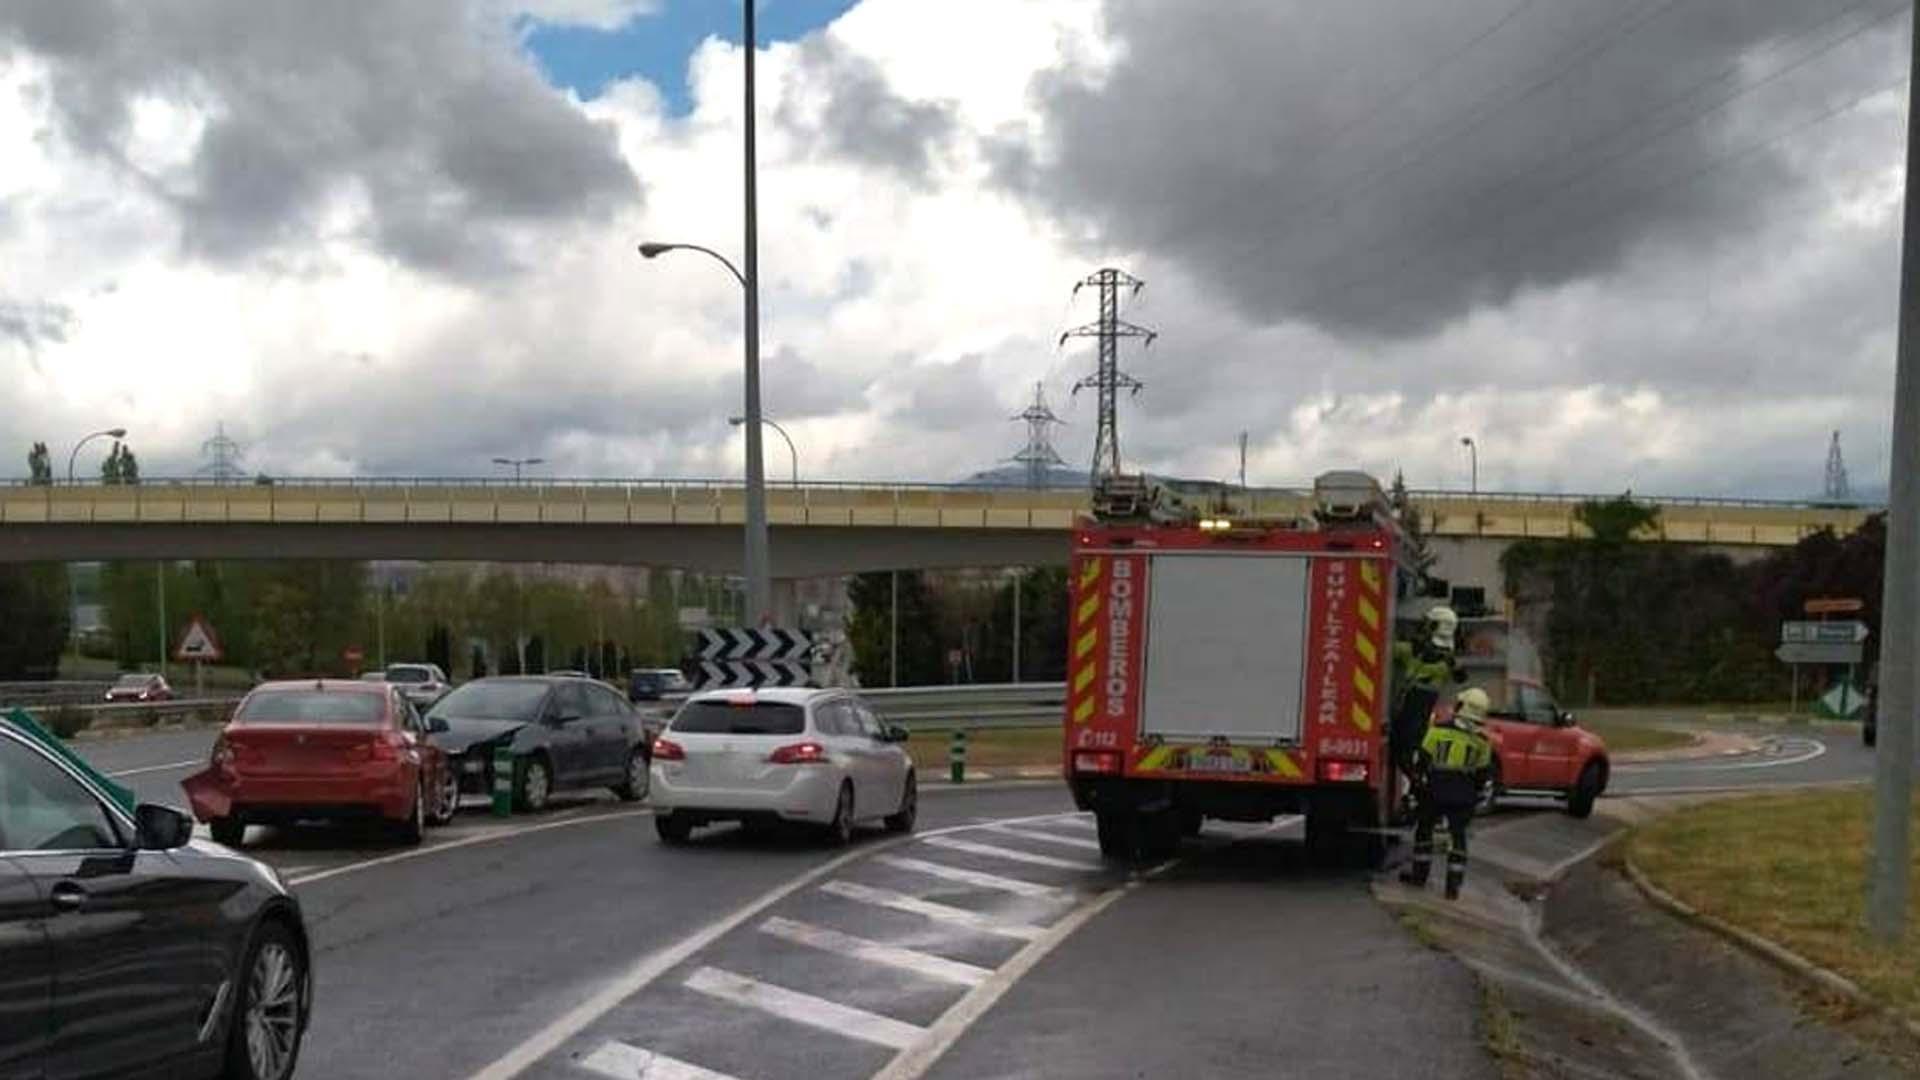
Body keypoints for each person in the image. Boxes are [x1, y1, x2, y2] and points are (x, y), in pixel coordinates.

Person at [1400, 686, 1494, 900]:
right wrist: (1476, 796)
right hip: (1463, 796)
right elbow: (1482, 775)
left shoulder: (1438, 730)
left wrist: (1415, 788)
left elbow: (1421, 761)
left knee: (1424, 831)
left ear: (1461, 706)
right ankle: (1453, 887)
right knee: (1458, 838)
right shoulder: (1482, 742)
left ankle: (1419, 876)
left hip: (1434, 791)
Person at [1390, 605, 1466, 776]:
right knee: (1411, 747)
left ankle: (1415, 779)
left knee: (1403, 748)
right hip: (1424, 708)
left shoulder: (1416, 651)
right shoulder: (1448, 660)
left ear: (1433, 626)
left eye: (1428, 624)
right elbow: (1460, 676)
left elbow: (1391, 649)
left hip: (1411, 706)